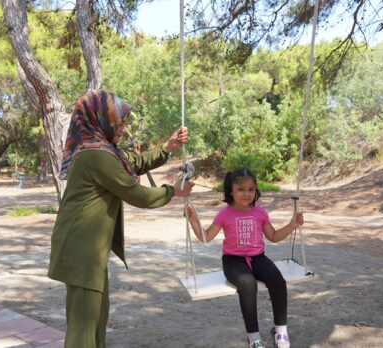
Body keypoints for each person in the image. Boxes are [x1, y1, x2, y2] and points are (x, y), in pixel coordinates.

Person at [47, 89, 194, 348]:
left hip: (88, 250)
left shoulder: (103, 149)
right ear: (101, 118)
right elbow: (137, 194)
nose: (124, 128)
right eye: (120, 121)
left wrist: (168, 148)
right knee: (83, 331)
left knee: (96, 320)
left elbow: (133, 161)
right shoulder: (96, 154)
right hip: (80, 250)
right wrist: (174, 191)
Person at [185, 167, 304, 348]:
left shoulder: (260, 213)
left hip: (258, 258)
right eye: (241, 189)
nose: (246, 194)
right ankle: (254, 338)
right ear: (231, 191)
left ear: (256, 191)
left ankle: (281, 331)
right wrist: (193, 221)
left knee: (277, 280)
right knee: (248, 284)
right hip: (233, 261)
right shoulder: (224, 214)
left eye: (251, 189)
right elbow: (206, 237)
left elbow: (273, 236)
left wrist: (292, 225)